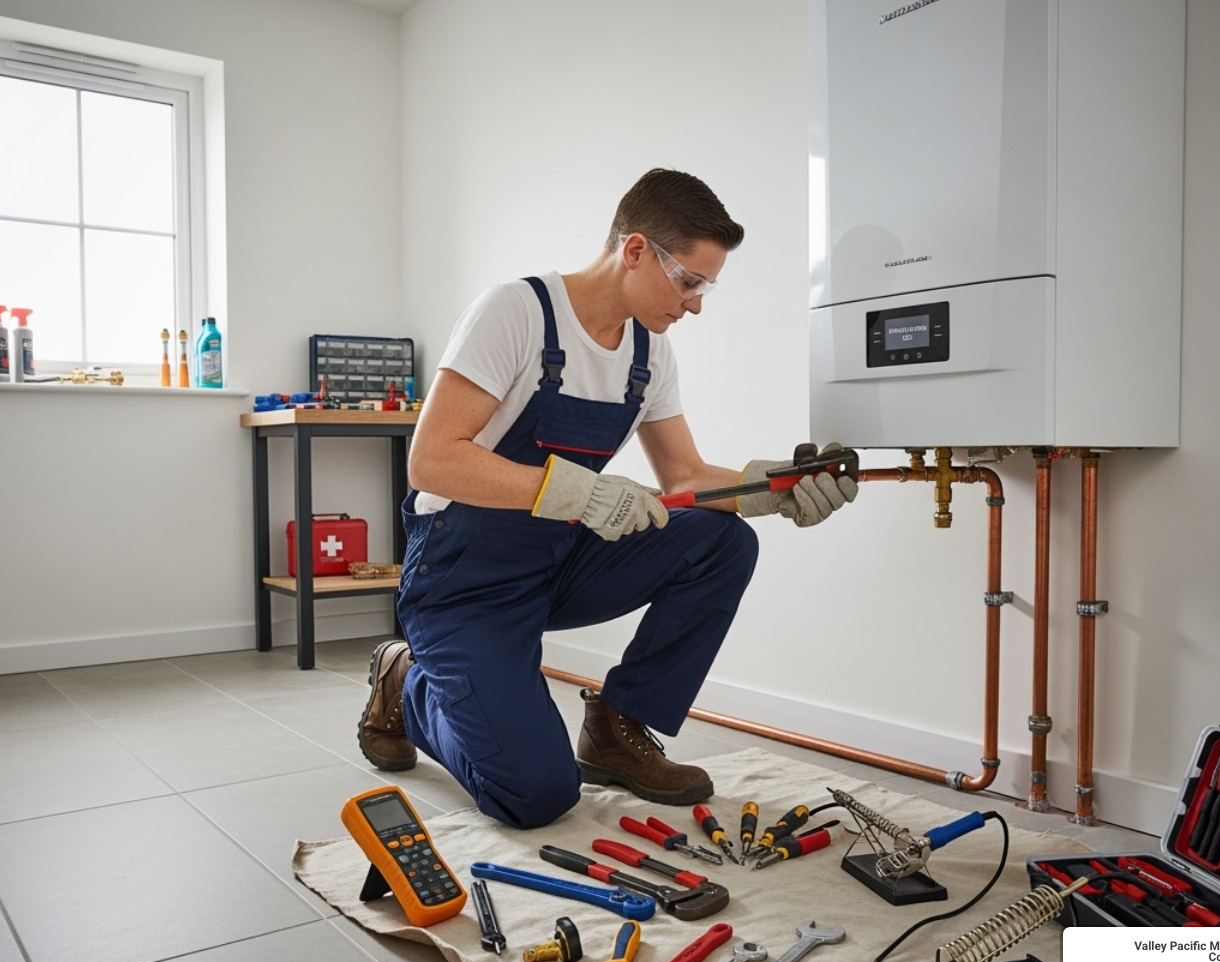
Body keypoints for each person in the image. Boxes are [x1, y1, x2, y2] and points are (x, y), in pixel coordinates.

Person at [358, 168, 857, 829]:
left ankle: (618, 729)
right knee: (537, 795)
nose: (697, 303)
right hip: (463, 579)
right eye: (690, 281)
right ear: (635, 250)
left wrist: (772, 492)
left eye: (707, 287)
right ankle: (406, 683)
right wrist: (576, 490)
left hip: (557, 563)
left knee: (722, 540)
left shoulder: (649, 353)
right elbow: (433, 460)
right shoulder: (517, 313)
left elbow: (682, 476)